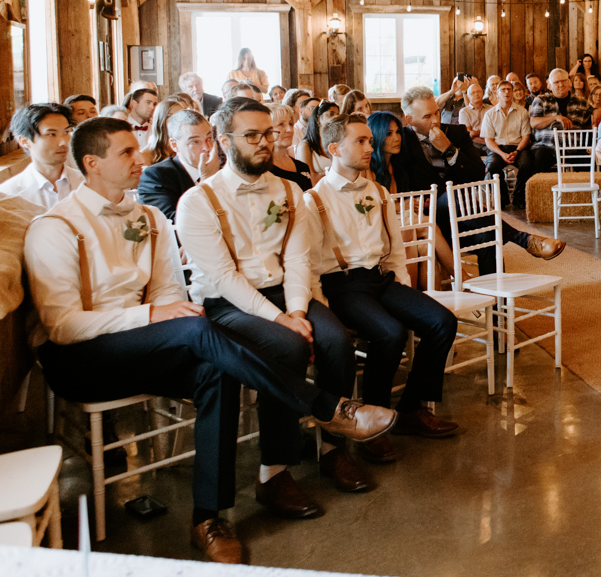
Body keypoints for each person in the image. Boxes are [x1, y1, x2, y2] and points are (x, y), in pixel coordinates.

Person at [23, 117, 393, 564]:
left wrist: (161, 314)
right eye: (126, 152)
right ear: (92, 163)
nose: (140, 158)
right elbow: (62, 327)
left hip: (147, 342)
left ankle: (207, 518)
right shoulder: (55, 227)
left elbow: (166, 293)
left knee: (215, 371)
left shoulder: (151, 218)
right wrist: (154, 315)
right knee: (200, 327)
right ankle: (327, 407)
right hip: (80, 360)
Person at [177, 98, 376, 513]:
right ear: (224, 140)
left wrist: (299, 312)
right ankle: (274, 472)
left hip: (286, 294)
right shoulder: (198, 201)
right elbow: (225, 279)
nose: (265, 142)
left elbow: (300, 259)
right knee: (285, 347)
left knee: (336, 340)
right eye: (252, 135)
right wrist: (281, 320)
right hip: (227, 303)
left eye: (268, 133)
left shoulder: (291, 191)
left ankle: (331, 448)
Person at [307, 114, 461, 465]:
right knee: (390, 334)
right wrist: (323, 307)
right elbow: (311, 263)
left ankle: (410, 410)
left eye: (369, 140)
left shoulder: (377, 191)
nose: (369, 146)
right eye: (360, 141)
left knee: (441, 321)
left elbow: (394, 249)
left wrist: (405, 293)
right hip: (343, 285)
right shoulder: (314, 199)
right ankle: (371, 425)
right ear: (334, 148)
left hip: (381, 278)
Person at [399, 86, 564, 276]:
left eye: (436, 112)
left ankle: (495, 303)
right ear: (410, 119)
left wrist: (449, 149)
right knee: (452, 195)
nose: (436, 120)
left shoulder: (456, 133)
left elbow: (477, 175)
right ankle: (524, 239)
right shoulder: (401, 140)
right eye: (427, 117)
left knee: (489, 234)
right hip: (428, 222)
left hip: (465, 217)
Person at [140, 109, 219, 223]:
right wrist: (207, 182)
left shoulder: (221, 169)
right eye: (195, 142)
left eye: (209, 138)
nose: (207, 147)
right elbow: (173, 223)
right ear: (174, 145)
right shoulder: (156, 176)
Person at [0, 103, 81, 210]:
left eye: (66, 132)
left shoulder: (89, 183)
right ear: (24, 141)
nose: (63, 142)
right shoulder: (7, 195)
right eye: (52, 134)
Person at [481, 80, 539, 207]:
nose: (506, 92)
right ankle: (502, 198)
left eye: (509, 89)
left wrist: (517, 151)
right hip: (498, 148)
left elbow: (526, 136)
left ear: (512, 93)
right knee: (492, 165)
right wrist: (502, 154)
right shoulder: (489, 114)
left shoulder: (522, 112)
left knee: (527, 164)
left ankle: (519, 198)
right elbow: (488, 140)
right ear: (497, 94)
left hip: (518, 147)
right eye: (503, 89)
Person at [530, 68, 593, 171]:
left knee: (588, 159)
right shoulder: (541, 100)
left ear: (569, 83)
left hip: (573, 147)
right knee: (540, 157)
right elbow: (534, 123)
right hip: (547, 146)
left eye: (563, 81)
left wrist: (595, 110)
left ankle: (584, 187)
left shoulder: (582, 102)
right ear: (549, 86)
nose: (561, 85)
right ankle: (542, 186)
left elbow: (592, 119)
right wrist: (555, 118)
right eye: (556, 82)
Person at [267, 103, 312, 193]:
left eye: (291, 124)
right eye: (281, 125)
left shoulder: (302, 167)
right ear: (267, 130)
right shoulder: (263, 169)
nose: (290, 130)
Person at [296, 101, 339, 185]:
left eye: (338, 114)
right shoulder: (305, 146)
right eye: (331, 114)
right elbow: (309, 179)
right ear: (318, 118)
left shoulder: (338, 143)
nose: (336, 118)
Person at [141, 96, 187, 166]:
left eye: (180, 116)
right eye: (170, 117)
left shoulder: (186, 148)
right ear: (160, 121)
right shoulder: (146, 154)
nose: (178, 121)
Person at [366, 112, 405, 191]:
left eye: (397, 132)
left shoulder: (398, 163)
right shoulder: (368, 168)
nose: (397, 138)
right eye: (389, 134)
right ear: (376, 136)